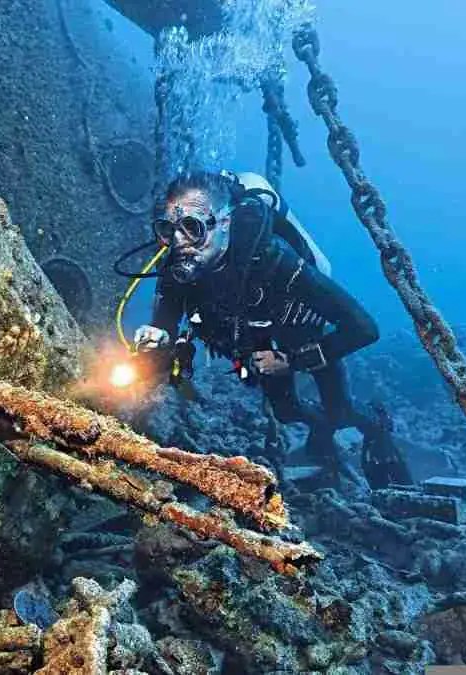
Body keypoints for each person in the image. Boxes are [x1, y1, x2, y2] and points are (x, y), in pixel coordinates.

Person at [133, 170, 412, 489]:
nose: (179, 243)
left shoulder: (273, 260)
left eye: (192, 228)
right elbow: (165, 325)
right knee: (286, 411)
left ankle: (375, 425)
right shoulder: (175, 267)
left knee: (341, 411)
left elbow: (363, 328)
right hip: (258, 337)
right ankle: (322, 433)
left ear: (224, 223)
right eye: (168, 230)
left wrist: (292, 360)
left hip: (301, 328)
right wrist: (158, 337)